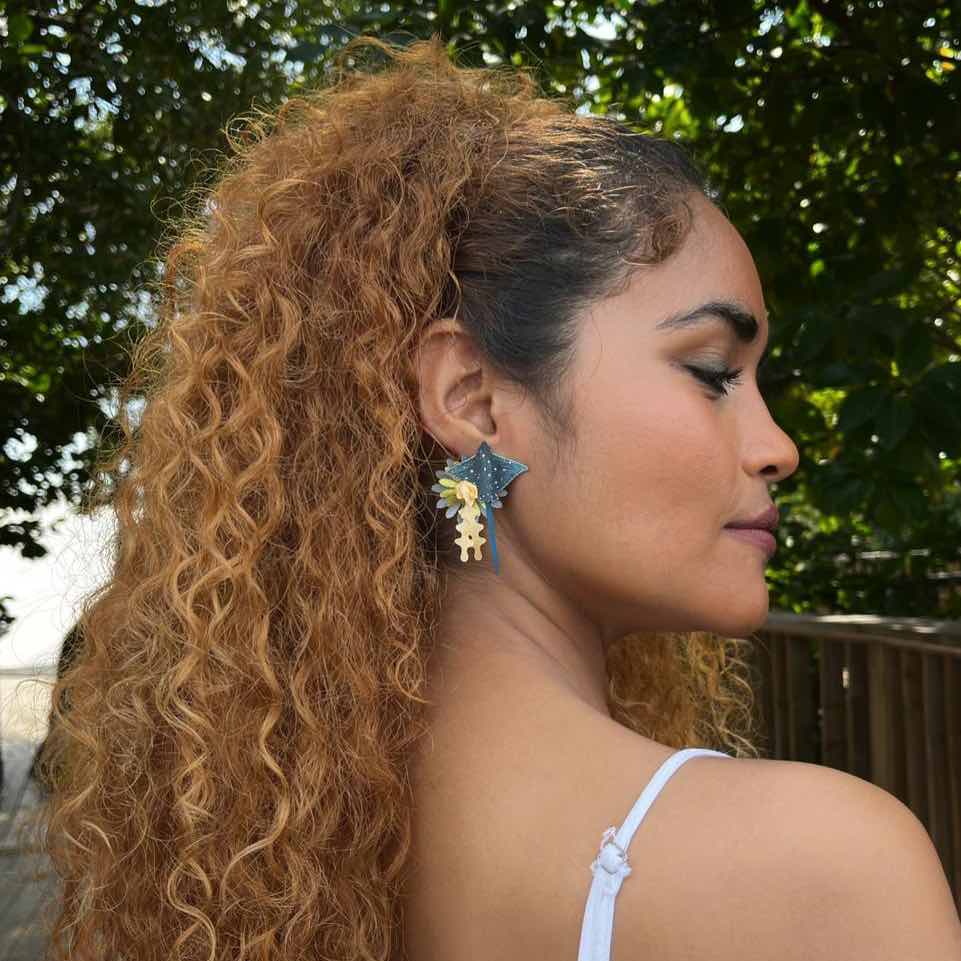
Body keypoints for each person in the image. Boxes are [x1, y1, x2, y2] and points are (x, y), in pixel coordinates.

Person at [32, 32, 961, 961]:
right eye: (713, 371)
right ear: (472, 400)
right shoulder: (821, 871)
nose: (778, 447)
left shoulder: (276, 856)